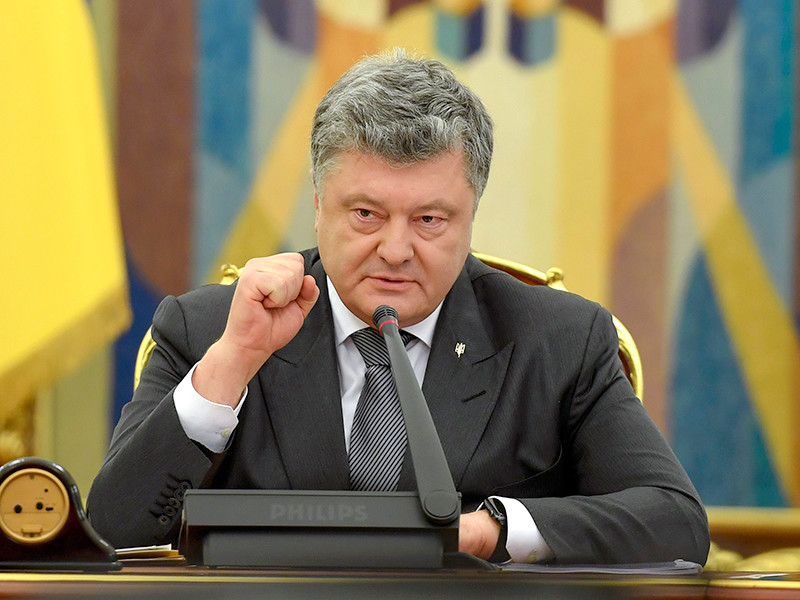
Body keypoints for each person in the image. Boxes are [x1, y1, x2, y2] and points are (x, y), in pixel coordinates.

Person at [87, 48, 709, 564]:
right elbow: (115, 530)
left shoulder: (557, 341)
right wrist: (233, 363)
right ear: (318, 206)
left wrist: (488, 530)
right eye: (366, 214)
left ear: (470, 217)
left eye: (430, 220)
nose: (395, 250)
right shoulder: (207, 330)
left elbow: (676, 522)